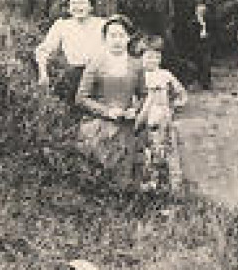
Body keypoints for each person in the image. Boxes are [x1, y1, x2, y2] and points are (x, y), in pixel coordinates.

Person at [74, 15, 145, 188]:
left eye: (121, 35)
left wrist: (135, 109)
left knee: (126, 179)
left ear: (128, 38)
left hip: (127, 126)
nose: (117, 40)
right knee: (98, 179)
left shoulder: (137, 65)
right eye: (112, 36)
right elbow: (81, 98)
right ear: (105, 39)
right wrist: (107, 111)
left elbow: (144, 94)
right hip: (98, 127)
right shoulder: (95, 63)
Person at [133, 34, 189, 193]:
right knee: (146, 154)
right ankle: (149, 187)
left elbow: (182, 94)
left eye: (157, 57)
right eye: (149, 57)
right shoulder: (138, 75)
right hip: (144, 120)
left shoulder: (165, 75)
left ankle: (171, 189)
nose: (153, 61)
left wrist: (171, 107)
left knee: (167, 152)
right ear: (140, 56)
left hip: (163, 120)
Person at [34, 0, 107, 103]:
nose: (78, 7)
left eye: (82, 3)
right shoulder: (62, 25)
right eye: (73, 3)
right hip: (75, 76)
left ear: (91, 6)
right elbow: (44, 50)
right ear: (68, 8)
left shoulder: (103, 24)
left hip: (102, 75)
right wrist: (43, 73)